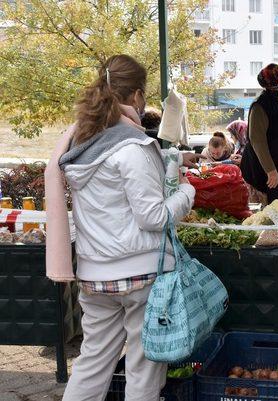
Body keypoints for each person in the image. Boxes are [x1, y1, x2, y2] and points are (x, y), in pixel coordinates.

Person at [49, 55, 198, 401]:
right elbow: (154, 217)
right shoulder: (132, 147)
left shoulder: (79, 146)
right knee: (143, 372)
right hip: (140, 276)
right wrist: (188, 194)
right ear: (135, 97)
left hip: (93, 274)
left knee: (92, 364)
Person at [241, 64, 278, 203]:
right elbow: (257, 140)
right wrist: (270, 170)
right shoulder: (261, 106)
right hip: (269, 179)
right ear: (276, 85)